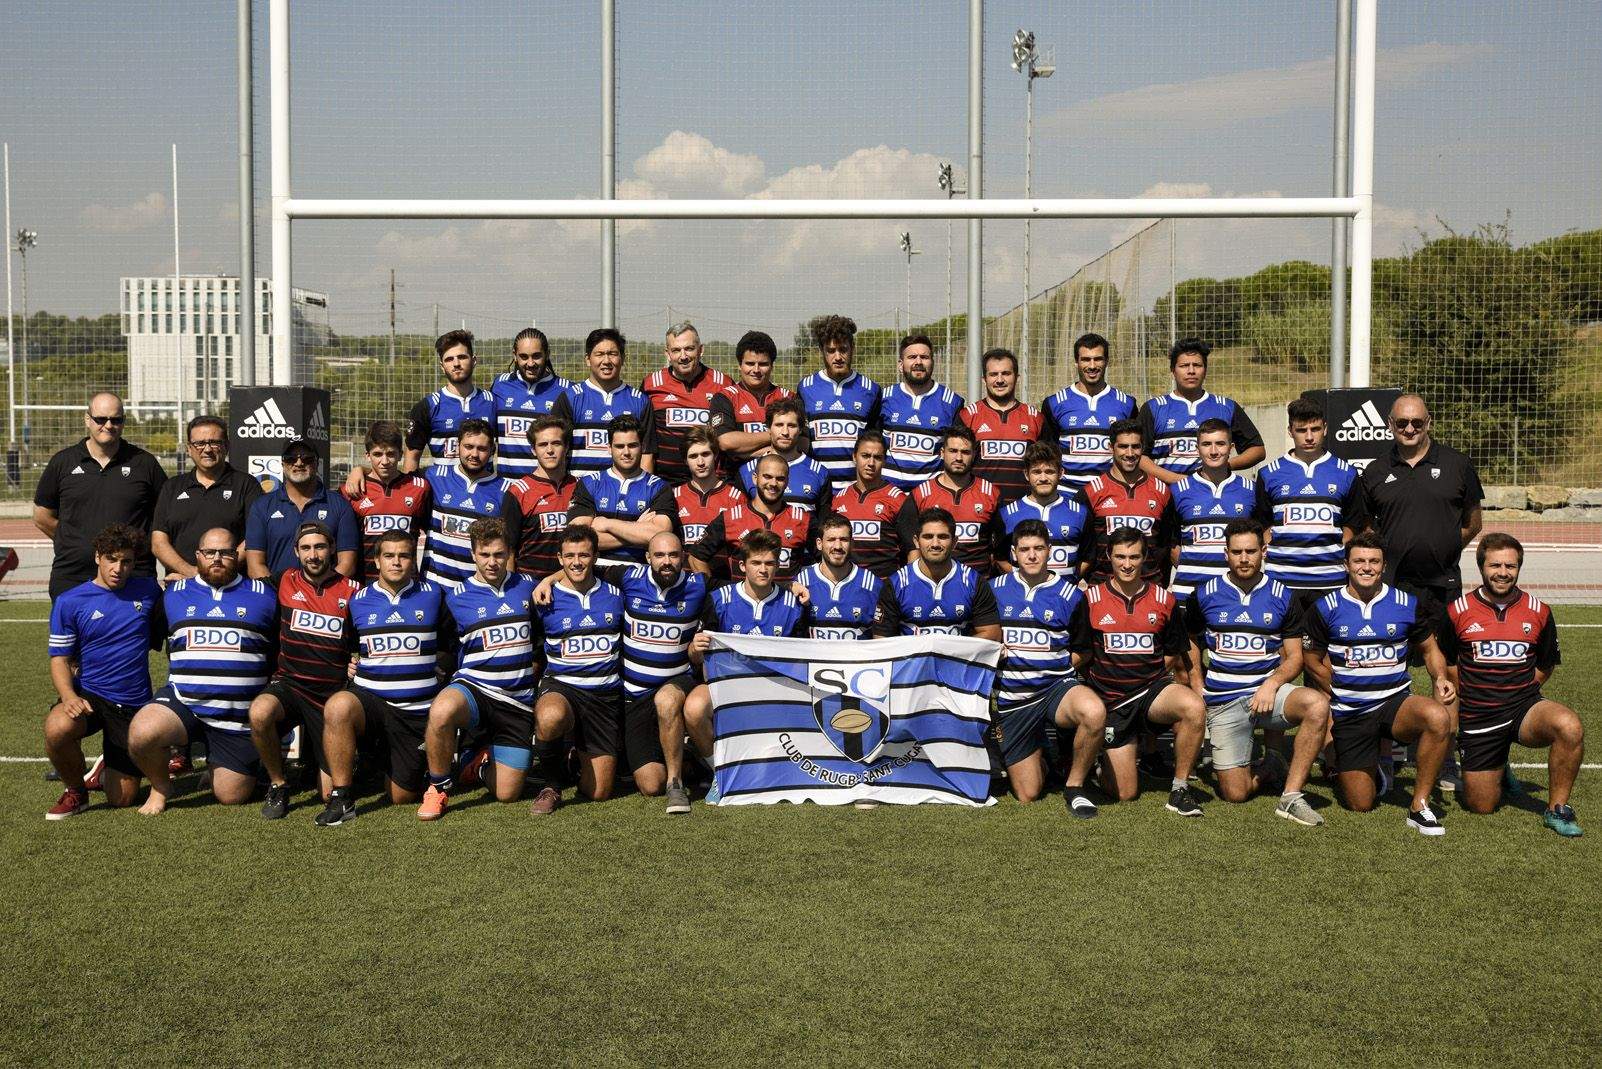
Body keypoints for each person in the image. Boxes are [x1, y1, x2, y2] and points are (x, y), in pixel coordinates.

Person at [534, 529, 707, 815]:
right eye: (660, 555)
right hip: (629, 694)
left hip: (653, 687)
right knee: (647, 785)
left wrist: (788, 588)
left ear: (683, 557)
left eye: (673, 555)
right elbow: (575, 569)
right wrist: (549, 578)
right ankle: (553, 781)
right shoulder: (629, 579)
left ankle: (677, 782)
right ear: (647, 558)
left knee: (604, 790)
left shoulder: (698, 585)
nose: (666, 561)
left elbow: (747, 583)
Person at [1302, 533, 1455, 835]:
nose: (1367, 567)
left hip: (1394, 703)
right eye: (1359, 560)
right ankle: (1373, 769)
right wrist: (1338, 689)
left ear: (1384, 566)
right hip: (1351, 712)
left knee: (1438, 717)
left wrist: (1440, 678)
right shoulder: (1326, 607)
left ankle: (1419, 805)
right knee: (1360, 803)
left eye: (1374, 561)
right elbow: (1311, 659)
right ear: (1346, 565)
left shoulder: (1406, 603)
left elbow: (1429, 649)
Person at [1183, 519, 1330, 825]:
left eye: (1251, 551)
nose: (1244, 558)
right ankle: (1272, 764)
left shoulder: (1282, 595)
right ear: (1226, 553)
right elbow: (1191, 640)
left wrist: (1272, 684)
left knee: (1317, 705)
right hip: (1223, 700)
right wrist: (1197, 680)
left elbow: (1294, 658)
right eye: (1237, 552)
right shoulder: (1204, 593)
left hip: (1268, 695)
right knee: (1235, 794)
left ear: (1264, 550)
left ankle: (1291, 796)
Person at [125, 527, 279, 814]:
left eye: (225, 553)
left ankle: (226, 762)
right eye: (209, 553)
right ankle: (161, 788)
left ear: (237, 556)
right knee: (142, 733)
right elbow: (140, 636)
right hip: (184, 703)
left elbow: (285, 646)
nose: (217, 559)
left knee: (231, 795)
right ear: (197, 555)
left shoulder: (265, 595)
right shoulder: (173, 594)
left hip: (237, 717)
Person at [1442, 533, 1583, 836]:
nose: (1503, 572)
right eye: (1495, 565)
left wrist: (1518, 690)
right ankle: (1498, 763)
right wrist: (1473, 696)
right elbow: (1449, 663)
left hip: (1524, 709)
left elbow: (1545, 665)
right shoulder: (1457, 610)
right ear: (1481, 566)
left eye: (1510, 565)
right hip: (1479, 717)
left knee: (1569, 726)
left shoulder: (1539, 610)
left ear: (1519, 568)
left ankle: (1557, 808)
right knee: (1481, 805)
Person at [1072, 528, 1207, 817]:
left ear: (1145, 557)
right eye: (1120, 556)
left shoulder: (1164, 599)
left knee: (1194, 707)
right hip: (1111, 701)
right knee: (1125, 793)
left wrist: (1151, 677)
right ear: (1109, 557)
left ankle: (1180, 789)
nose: (1127, 564)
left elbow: (1173, 651)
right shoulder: (1090, 598)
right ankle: (1101, 762)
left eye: (1134, 556)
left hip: (1150, 693)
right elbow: (1082, 652)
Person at [316, 531, 448, 824]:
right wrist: (350, 666)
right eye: (389, 556)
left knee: (401, 796)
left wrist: (442, 663)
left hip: (414, 713)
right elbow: (348, 648)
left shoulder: (434, 595)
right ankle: (343, 799)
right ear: (376, 560)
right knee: (338, 706)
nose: (397, 562)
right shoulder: (357, 601)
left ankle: (371, 763)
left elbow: (452, 643)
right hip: (371, 702)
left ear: (413, 560)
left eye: (404, 555)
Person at [416, 518, 539, 820]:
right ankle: (438, 788)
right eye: (485, 555)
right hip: (475, 689)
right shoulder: (454, 597)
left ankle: (477, 761)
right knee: (443, 709)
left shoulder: (529, 588)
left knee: (507, 794)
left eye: (498, 554)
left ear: (509, 552)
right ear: (473, 554)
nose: (492, 562)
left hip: (516, 702)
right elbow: (440, 647)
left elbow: (542, 638)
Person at [42, 524, 165, 818]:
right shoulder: (70, 601)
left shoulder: (148, 590)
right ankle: (76, 792)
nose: (118, 568)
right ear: (98, 557)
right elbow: (59, 658)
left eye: (126, 561)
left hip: (132, 703)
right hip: (91, 695)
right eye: (112, 559)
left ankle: (103, 769)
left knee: (122, 798)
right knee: (57, 728)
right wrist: (69, 695)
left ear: (135, 563)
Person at [988, 520, 1106, 815]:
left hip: (1056, 688)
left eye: (1038, 549)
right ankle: (1038, 749)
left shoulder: (1070, 595)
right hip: (1013, 698)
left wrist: (1055, 665)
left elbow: (1082, 650)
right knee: (1028, 794)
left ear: (1049, 552)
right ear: (1014, 553)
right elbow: (981, 636)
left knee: (1094, 712)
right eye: (1025, 549)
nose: (1031, 555)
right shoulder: (993, 589)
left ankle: (1075, 786)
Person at [246, 522, 362, 820]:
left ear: (332, 549)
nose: (313, 555)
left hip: (329, 694)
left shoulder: (353, 591)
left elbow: (367, 638)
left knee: (327, 793)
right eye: (307, 548)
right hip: (289, 685)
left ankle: (349, 761)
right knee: (259, 712)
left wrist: (358, 661)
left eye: (320, 547)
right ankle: (278, 784)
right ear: (296, 552)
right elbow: (239, 586)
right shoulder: (283, 580)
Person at [683, 531, 807, 791]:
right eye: (756, 563)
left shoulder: (793, 605)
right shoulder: (719, 599)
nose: (763, 570)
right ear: (743, 566)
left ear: (777, 565)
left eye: (769, 564)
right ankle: (720, 771)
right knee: (694, 708)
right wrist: (695, 647)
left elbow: (800, 661)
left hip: (775, 690)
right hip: (727, 687)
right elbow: (696, 657)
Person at [1354, 392, 1483, 608]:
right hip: (1391, 584)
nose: (1410, 429)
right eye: (1402, 422)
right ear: (1390, 424)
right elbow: (1366, 528)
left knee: (1442, 643)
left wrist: (1446, 546)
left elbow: (1474, 524)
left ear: (1428, 422)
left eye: (1417, 422)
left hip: (1443, 585)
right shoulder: (1375, 471)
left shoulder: (1458, 465)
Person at [34, 391, 167, 598]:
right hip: (73, 575)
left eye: (116, 419)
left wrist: (136, 548)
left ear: (123, 422)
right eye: (100, 419)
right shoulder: (63, 462)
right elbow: (42, 517)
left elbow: (165, 517)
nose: (108, 425)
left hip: (134, 576)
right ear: (87, 419)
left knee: (133, 632)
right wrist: (73, 541)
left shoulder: (145, 463)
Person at [530, 526, 626, 810]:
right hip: (563, 686)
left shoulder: (616, 593)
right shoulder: (543, 598)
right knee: (550, 716)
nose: (576, 562)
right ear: (559, 558)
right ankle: (551, 784)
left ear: (595, 556)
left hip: (604, 696)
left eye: (583, 555)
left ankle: (573, 759)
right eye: (569, 556)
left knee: (599, 792)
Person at [1256, 398, 1362, 602]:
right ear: (1290, 431)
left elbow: (1353, 522)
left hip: (1330, 579)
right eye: (1301, 430)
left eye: (1315, 429)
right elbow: (1262, 523)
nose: (1309, 437)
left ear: (1325, 429)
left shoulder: (1346, 473)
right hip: (1281, 580)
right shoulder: (1269, 473)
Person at [1138, 338, 1265, 485]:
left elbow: (1257, 450)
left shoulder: (1226, 407)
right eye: (1184, 365)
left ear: (1205, 370)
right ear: (1173, 370)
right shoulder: (1153, 408)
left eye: (1197, 365)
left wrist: (1223, 465)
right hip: (1167, 495)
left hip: (1211, 496)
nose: (1191, 371)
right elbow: (1140, 456)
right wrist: (1176, 480)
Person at [1164, 419, 1265, 602]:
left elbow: (1261, 536)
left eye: (1220, 443)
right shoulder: (1178, 490)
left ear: (1231, 447)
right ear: (1197, 448)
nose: (1213, 451)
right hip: (1188, 592)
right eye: (1206, 444)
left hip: (1234, 594)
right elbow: (1171, 543)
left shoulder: (1250, 490)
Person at [150, 415, 261, 580]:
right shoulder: (172, 487)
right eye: (200, 443)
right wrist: (191, 573)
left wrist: (216, 572)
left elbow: (255, 538)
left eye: (214, 442)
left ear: (227, 446)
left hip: (231, 586)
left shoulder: (246, 485)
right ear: (189, 448)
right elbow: (159, 543)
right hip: (182, 585)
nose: (207, 449)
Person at [567, 415, 676, 568]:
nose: (626, 452)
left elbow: (660, 535)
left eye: (632, 445)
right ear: (609, 448)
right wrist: (637, 529)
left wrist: (606, 523)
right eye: (619, 446)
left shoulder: (659, 487)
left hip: (641, 574)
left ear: (643, 447)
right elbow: (578, 539)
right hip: (597, 573)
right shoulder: (589, 483)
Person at [875, 507, 1001, 639]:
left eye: (943, 537)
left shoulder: (974, 582)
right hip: (911, 660)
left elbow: (992, 634)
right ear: (916, 541)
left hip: (956, 659)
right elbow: (881, 638)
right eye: (928, 537)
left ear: (954, 542)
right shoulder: (896, 583)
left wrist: (948, 653)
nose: (935, 544)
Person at [244, 438, 360, 582]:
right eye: (291, 458)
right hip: (277, 598)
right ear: (282, 464)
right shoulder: (262, 506)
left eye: (307, 458)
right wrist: (284, 595)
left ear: (317, 463)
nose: (299, 463)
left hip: (323, 599)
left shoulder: (340, 505)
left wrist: (317, 594)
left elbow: (347, 565)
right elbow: (255, 566)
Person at [1077, 418, 1176, 585]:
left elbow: (1167, 546)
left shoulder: (1162, 492)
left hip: (1149, 590)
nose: (1130, 454)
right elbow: (1083, 549)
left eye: (1135, 447)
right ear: (1111, 448)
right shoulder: (1090, 492)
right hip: (1102, 590)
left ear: (1143, 448)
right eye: (1123, 446)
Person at [690, 452, 814, 583]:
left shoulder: (803, 519)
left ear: (787, 482)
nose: (773, 483)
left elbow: (826, 559)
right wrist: (717, 592)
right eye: (767, 476)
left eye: (780, 479)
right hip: (740, 602)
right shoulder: (730, 518)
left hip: (785, 601)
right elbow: (696, 558)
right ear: (755, 478)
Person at [896, 424, 1001, 578]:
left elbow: (1000, 547)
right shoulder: (921, 494)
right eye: (953, 451)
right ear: (942, 453)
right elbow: (912, 550)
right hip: (933, 585)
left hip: (978, 585)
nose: (959, 457)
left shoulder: (990, 493)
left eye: (965, 452)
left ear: (974, 455)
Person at [550, 327, 658, 477]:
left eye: (612, 354)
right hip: (580, 493)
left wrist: (640, 492)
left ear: (622, 358)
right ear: (588, 359)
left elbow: (646, 455)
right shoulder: (569, 398)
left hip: (624, 494)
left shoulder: (639, 401)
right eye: (599, 354)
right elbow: (554, 451)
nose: (606, 361)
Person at [1039, 333, 1137, 495]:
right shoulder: (1054, 403)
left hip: (1109, 492)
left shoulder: (1126, 404)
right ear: (1076, 362)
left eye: (1098, 359)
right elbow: (1047, 453)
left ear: (1107, 361)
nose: (1092, 366)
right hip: (1066, 492)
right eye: (1085, 359)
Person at [421, 418, 513, 589]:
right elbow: (397, 479)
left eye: (482, 448)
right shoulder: (435, 476)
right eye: (468, 447)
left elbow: (509, 549)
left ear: (492, 450)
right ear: (458, 446)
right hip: (434, 588)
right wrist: (361, 470)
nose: (474, 455)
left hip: (477, 592)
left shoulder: (506, 489)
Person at [797, 315, 882, 493]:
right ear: (822, 350)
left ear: (852, 349)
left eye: (843, 349)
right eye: (831, 350)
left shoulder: (871, 390)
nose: (838, 357)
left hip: (855, 489)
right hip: (817, 487)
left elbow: (873, 442)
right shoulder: (806, 388)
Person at [642, 320, 732, 485]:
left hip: (712, 482)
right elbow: (645, 438)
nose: (683, 357)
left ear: (701, 350)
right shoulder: (651, 384)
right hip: (664, 482)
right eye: (676, 350)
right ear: (668, 354)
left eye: (689, 349)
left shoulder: (723, 384)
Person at [343, 421, 431, 583]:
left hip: (408, 586)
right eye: (377, 454)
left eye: (390, 454)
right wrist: (358, 470)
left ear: (400, 454)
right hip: (365, 586)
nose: (384, 461)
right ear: (367, 455)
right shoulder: (351, 490)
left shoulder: (419, 488)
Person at [957, 347, 1044, 505]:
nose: (999, 380)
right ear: (984, 379)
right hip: (980, 508)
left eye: (1006, 373)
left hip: (1023, 510)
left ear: (1017, 377)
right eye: (993, 374)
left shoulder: (1035, 418)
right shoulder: (967, 416)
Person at [879, 333, 964, 490]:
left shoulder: (952, 402)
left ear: (932, 362)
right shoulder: (884, 397)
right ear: (900, 364)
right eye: (912, 357)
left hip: (930, 495)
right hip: (888, 493)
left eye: (924, 357)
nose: (918, 362)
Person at [405, 329, 496, 471]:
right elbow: (412, 457)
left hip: (485, 491)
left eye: (462, 357)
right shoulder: (427, 407)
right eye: (449, 359)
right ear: (442, 366)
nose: (456, 364)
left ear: (474, 360)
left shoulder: (493, 402)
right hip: (441, 491)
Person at [996, 441, 1090, 578]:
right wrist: (1022, 582)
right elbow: (1000, 557)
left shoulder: (1080, 513)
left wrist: (1066, 585)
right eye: (1036, 472)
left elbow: (1088, 557)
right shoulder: (1007, 515)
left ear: (1061, 473)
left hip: (1063, 598)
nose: (1043, 478)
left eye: (1050, 471)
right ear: (1026, 474)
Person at [501, 415, 579, 577]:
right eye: (543, 444)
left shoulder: (581, 488)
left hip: (572, 584)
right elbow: (509, 549)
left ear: (566, 447)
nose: (549, 450)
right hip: (530, 584)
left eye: (556, 443)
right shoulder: (518, 492)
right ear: (533, 450)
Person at [708, 330, 793, 478]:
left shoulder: (788, 398)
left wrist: (743, 451)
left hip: (779, 481)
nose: (756, 370)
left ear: (772, 365)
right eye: (750, 363)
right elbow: (726, 442)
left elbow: (803, 443)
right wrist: (776, 437)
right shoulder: (724, 398)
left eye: (763, 364)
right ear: (740, 365)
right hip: (734, 480)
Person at [492, 326, 571, 480]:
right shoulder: (500, 385)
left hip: (547, 488)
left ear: (547, 354)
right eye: (524, 356)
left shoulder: (567, 391)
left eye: (536, 356)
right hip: (507, 487)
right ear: (515, 356)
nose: (530, 363)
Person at [672, 427, 747, 582]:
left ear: (716, 456)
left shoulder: (736, 498)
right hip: (681, 586)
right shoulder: (673, 497)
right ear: (685, 461)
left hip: (721, 583)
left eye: (705, 454)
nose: (700, 462)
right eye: (693, 456)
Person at [829, 430, 906, 579]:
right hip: (848, 585)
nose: (871, 463)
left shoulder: (899, 499)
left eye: (877, 457)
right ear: (854, 457)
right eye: (865, 456)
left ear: (884, 461)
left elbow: (911, 549)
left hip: (883, 587)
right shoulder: (839, 499)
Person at [794, 512, 883, 640]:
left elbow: (883, 639)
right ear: (819, 544)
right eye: (831, 540)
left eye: (844, 540)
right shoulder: (802, 582)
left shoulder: (872, 585)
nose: (838, 546)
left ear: (852, 543)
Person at [737, 396, 830, 510]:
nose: (785, 432)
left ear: (800, 429)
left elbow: (823, 522)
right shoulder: (746, 472)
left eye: (791, 426)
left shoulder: (820, 472)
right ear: (768, 428)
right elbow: (741, 519)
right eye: (779, 425)